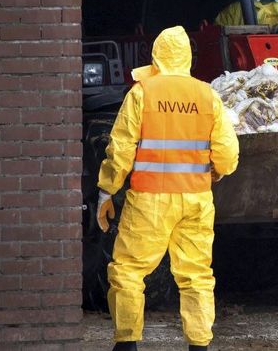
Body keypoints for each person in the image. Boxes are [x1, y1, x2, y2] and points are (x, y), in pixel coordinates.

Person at [95, 26, 240, 351]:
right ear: (188, 57)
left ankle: (127, 342)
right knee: (197, 275)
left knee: (129, 270)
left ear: (156, 56)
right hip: (196, 201)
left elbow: (121, 148)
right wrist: (216, 171)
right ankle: (199, 345)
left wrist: (106, 190)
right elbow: (228, 156)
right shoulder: (207, 95)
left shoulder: (142, 92)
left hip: (150, 201)